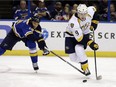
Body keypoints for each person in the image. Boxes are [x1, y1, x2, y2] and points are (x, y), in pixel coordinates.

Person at [65, 4, 99, 76]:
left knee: (79, 48)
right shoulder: (73, 23)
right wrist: (91, 42)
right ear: (77, 12)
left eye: (85, 14)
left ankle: (85, 67)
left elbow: (95, 12)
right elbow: (80, 39)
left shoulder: (90, 10)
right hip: (70, 37)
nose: (83, 16)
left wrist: (94, 23)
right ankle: (83, 61)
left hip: (84, 34)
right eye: (81, 14)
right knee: (73, 58)